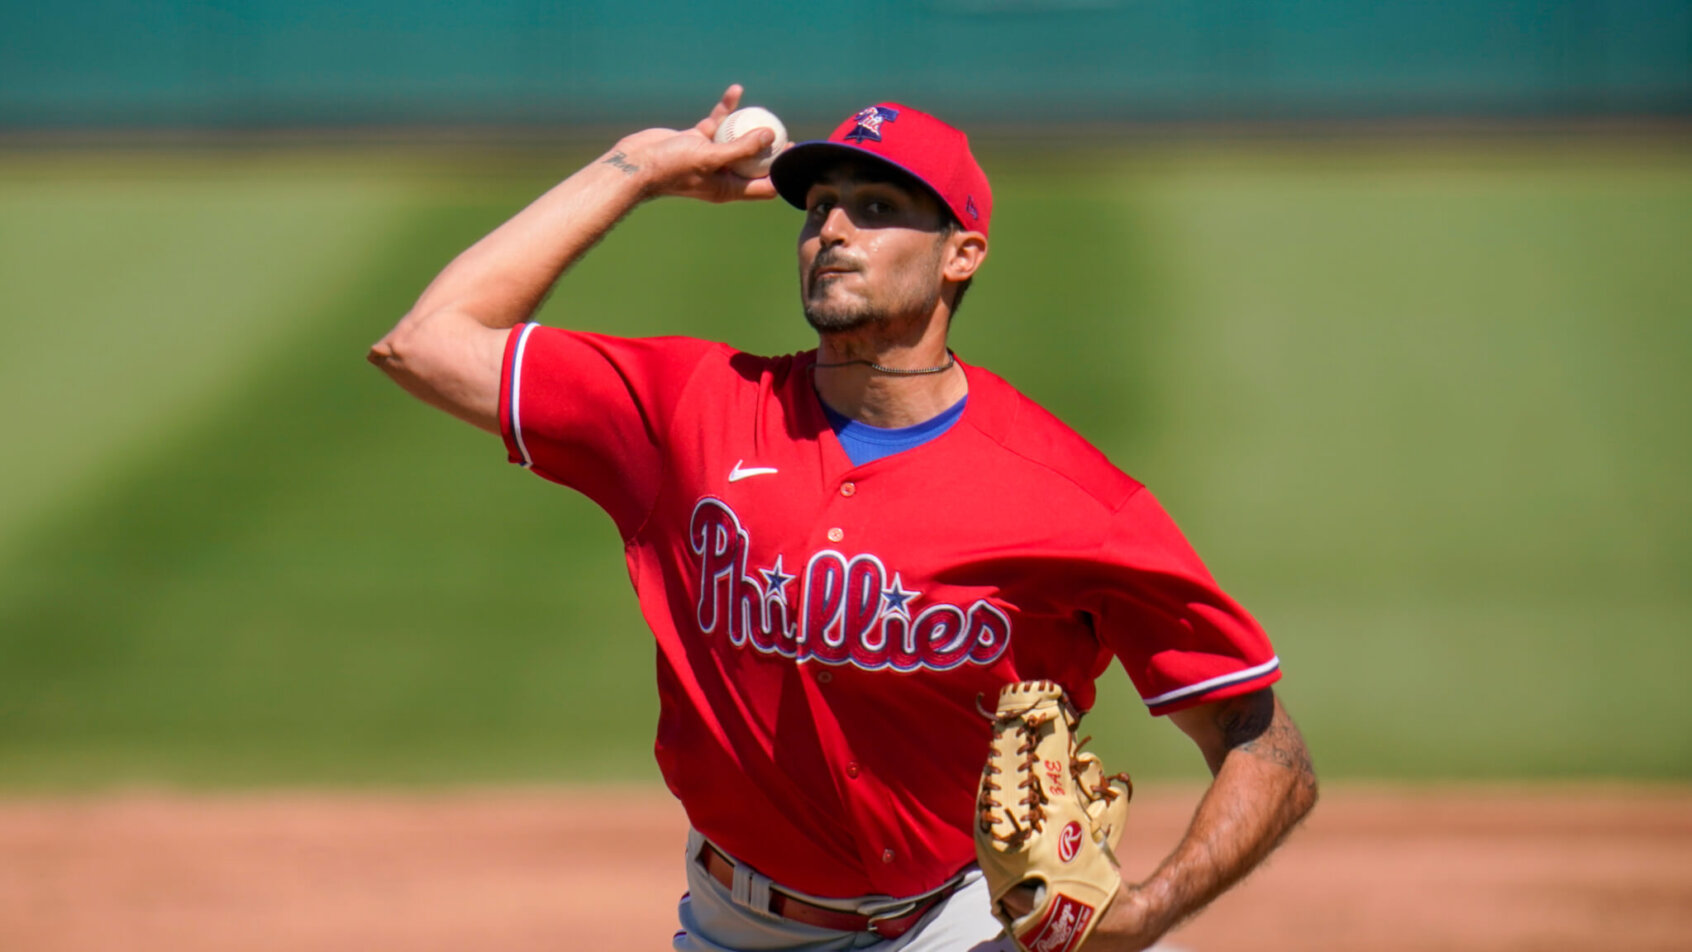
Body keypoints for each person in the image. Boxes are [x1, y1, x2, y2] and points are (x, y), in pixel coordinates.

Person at [369, 86, 1318, 952]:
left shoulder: (1070, 501)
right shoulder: (689, 408)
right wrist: (641, 167)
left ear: (962, 253)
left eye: (876, 209)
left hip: (959, 925)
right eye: (819, 207)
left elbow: (1266, 747)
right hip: (737, 926)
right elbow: (426, 344)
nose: (831, 229)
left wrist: (1149, 911)